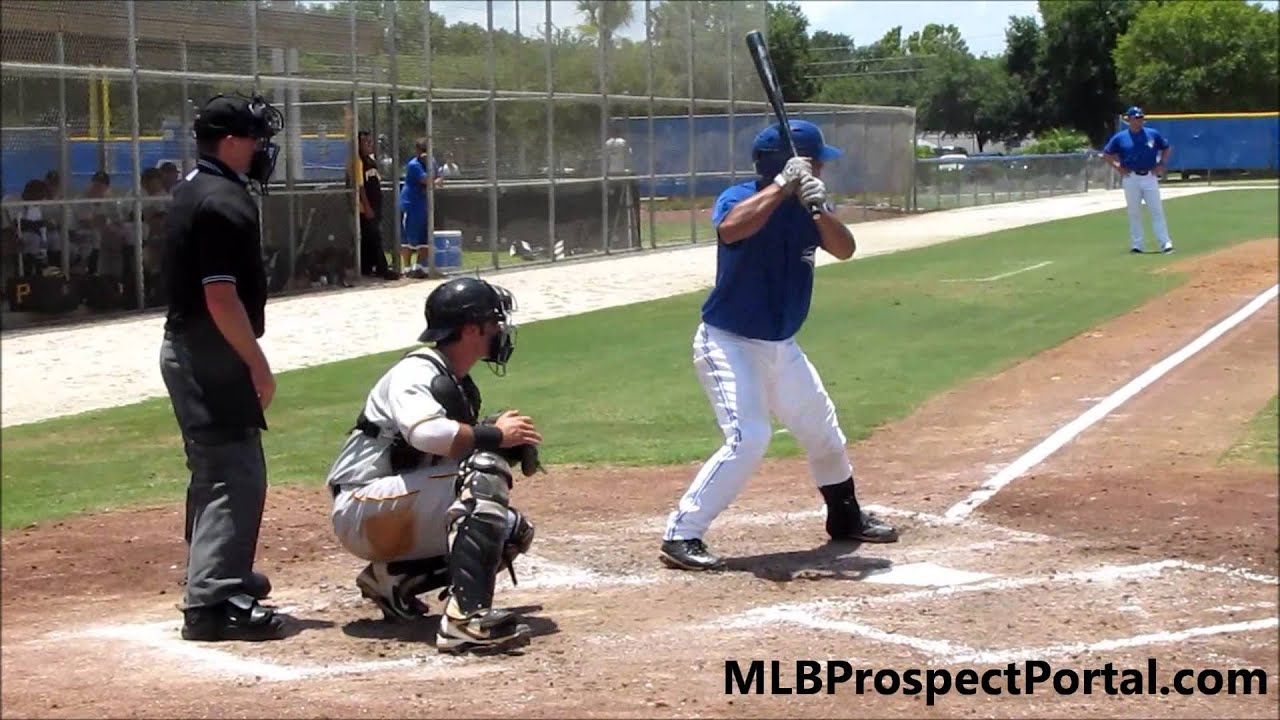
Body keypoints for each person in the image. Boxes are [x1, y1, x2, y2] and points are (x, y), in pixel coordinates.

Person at [658, 120, 899, 572]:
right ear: (789, 163)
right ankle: (682, 533)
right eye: (817, 162)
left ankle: (844, 516)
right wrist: (781, 186)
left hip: (781, 345)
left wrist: (817, 206)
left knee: (823, 429)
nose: (824, 168)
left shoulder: (808, 206)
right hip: (728, 341)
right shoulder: (740, 198)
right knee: (749, 437)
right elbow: (731, 229)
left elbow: (844, 248)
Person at [325, 276, 544, 653]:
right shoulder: (417, 372)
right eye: (494, 323)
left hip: (397, 504)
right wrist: (493, 438)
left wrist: (498, 440)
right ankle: (465, 621)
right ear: (472, 329)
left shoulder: (455, 381)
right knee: (483, 474)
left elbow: (442, 452)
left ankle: (393, 580)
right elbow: (425, 434)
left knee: (510, 531)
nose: (500, 331)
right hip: (361, 506)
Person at [158, 93, 285, 642]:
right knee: (233, 471)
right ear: (230, 142)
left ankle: (216, 573)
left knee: (219, 468)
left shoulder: (194, 186)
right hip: (209, 349)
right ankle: (211, 602)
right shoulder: (223, 201)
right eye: (254, 138)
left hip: (195, 346)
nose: (261, 148)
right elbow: (221, 298)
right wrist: (256, 363)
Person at [1103, 106, 1174, 255]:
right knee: (1134, 212)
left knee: (1156, 210)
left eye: (1141, 118)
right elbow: (1107, 154)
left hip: (1149, 176)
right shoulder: (1120, 137)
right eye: (1135, 118)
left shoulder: (1152, 134)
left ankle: (1165, 243)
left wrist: (1161, 164)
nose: (1139, 121)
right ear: (1129, 120)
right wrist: (1118, 167)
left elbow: (1166, 148)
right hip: (1131, 177)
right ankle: (1137, 244)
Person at [398, 138, 444, 278]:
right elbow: (427, 180)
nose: (424, 154)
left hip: (424, 205)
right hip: (411, 204)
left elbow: (439, 177)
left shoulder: (432, 162)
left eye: (426, 150)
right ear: (417, 151)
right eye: (422, 150)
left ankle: (418, 266)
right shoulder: (413, 164)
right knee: (408, 238)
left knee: (425, 237)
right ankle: (406, 267)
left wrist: (435, 180)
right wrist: (434, 181)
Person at [350, 130, 391, 279]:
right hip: (364, 208)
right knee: (374, 238)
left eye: (370, 142)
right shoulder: (358, 161)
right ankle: (382, 269)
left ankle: (367, 268)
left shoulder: (370, 161)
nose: (369, 145)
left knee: (370, 239)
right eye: (365, 142)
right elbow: (359, 187)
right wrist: (366, 206)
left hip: (375, 206)